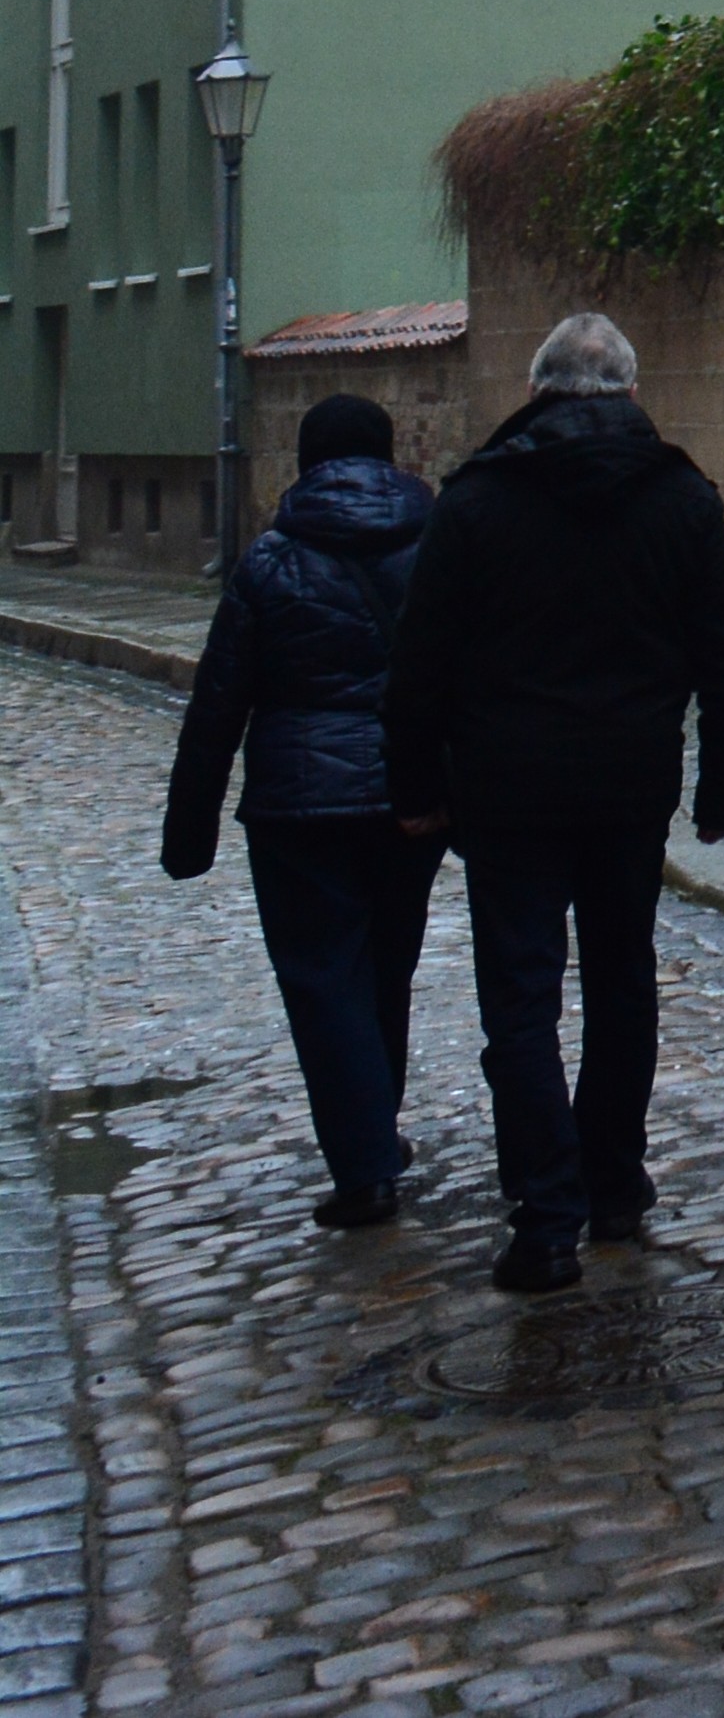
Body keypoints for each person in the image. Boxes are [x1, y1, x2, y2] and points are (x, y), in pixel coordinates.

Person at [380, 308, 724, 1297]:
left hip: (507, 787)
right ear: (631, 392)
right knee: (622, 983)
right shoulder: (680, 497)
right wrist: (723, 786)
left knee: (520, 998)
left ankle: (546, 1214)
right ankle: (614, 1181)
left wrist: (415, 787)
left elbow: (419, 661)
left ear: (535, 393)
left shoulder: (477, 499)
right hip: (630, 782)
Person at [159, 391, 442, 1227]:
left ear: (304, 462)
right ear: (389, 455)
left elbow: (218, 704)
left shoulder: (270, 560)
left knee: (325, 983)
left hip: (300, 807)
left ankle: (365, 1163)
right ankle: (376, 1132)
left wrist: (189, 831)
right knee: (385, 969)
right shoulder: (434, 548)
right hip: (407, 798)